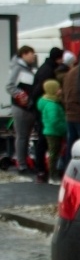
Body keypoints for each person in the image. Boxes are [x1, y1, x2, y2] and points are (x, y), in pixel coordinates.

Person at [30, 46, 64, 181]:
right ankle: (43, 170)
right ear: (58, 58)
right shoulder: (49, 71)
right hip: (44, 111)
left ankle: (41, 169)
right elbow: (39, 90)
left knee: (43, 141)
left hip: (41, 108)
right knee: (45, 142)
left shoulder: (44, 67)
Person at [5, 44, 37, 176]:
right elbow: (10, 86)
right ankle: (22, 165)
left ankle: (23, 162)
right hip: (21, 108)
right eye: (31, 53)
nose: (33, 56)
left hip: (27, 107)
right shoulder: (18, 68)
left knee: (24, 136)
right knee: (22, 136)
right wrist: (22, 96)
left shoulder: (26, 68)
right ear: (23, 54)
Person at [61, 44, 80, 165]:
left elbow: (64, 93)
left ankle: (67, 170)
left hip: (70, 113)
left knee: (71, 145)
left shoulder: (70, 72)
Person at [37, 78, 66, 183]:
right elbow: (54, 121)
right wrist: (64, 128)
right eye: (58, 88)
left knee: (53, 154)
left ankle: (53, 174)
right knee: (54, 154)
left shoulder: (49, 102)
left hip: (50, 131)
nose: (60, 90)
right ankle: (53, 176)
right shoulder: (52, 105)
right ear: (53, 90)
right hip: (54, 132)